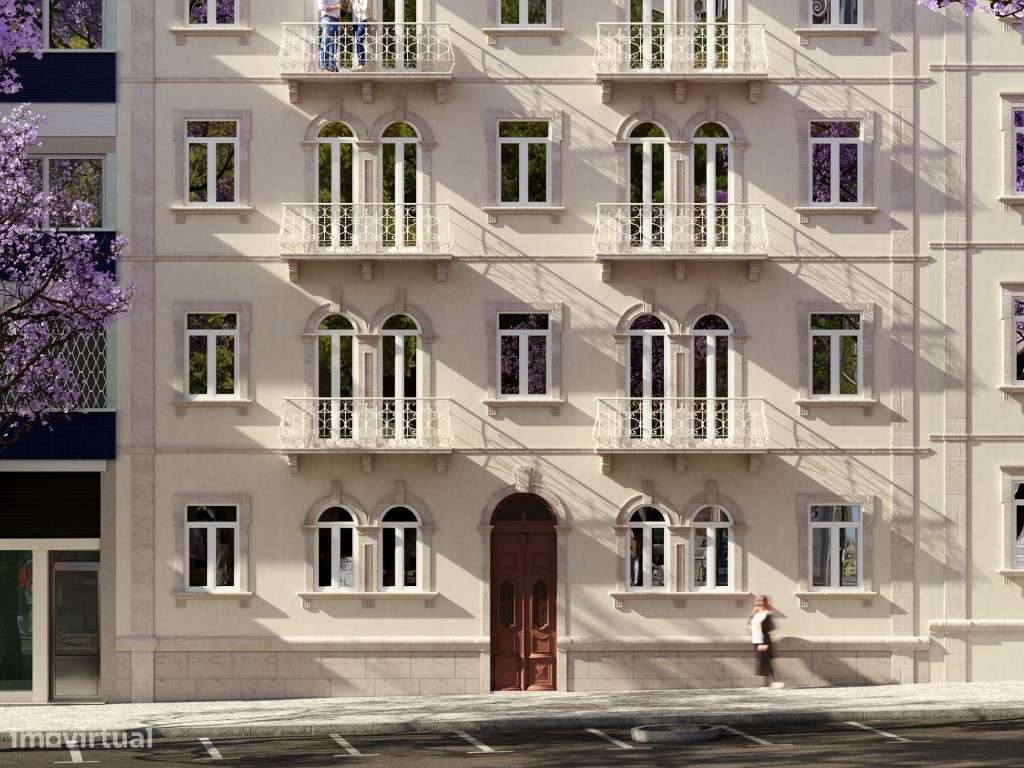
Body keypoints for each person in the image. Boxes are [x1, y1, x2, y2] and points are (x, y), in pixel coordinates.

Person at [749, 594, 784, 689]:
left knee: (767, 661)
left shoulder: (768, 614)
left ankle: (774, 681)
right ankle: (769, 683)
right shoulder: (755, 613)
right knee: (763, 662)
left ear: (765, 602)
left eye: (761, 601)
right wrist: (752, 613)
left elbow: (769, 629)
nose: (758, 602)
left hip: (764, 641)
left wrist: (764, 643)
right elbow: (749, 625)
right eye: (757, 601)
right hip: (756, 640)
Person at [317, 0, 343, 72]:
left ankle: (332, 66)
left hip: (336, 20)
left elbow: (338, 10)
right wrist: (336, 6)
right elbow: (321, 7)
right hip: (328, 19)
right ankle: (323, 67)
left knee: (334, 45)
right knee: (326, 42)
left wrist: (340, 21)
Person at [351, 0, 370, 69]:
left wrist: (357, 2)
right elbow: (351, 11)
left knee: (359, 40)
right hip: (355, 22)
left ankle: (362, 63)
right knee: (356, 42)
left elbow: (365, 9)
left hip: (363, 21)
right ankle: (359, 63)